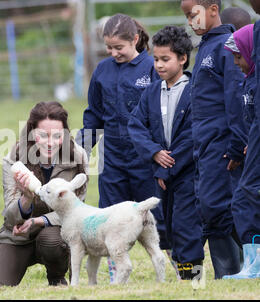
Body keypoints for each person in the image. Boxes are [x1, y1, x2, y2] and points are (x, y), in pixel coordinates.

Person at [75, 13, 168, 283]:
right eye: (109, 47)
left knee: (153, 215)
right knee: (110, 216)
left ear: (136, 40)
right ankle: (116, 272)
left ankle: (173, 265)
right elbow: (94, 114)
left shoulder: (152, 67)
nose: (113, 52)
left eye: (119, 47)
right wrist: (84, 147)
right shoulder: (102, 71)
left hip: (146, 157)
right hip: (113, 157)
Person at [0, 101, 89, 287]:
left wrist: (38, 221)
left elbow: (74, 212)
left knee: (52, 241)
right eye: (43, 135)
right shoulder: (15, 156)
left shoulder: (78, 156)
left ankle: (56, 278)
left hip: (54, 233)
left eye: (57, 136)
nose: (50, 142)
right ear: (32, 132)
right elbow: (11, 216)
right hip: (19, 233)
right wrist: (26, 197)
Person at [128, 26, 204, 280]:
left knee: (186, 226)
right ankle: (183, 274)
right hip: (161, 175)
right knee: (169, 227)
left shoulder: (196, 91)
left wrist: (165, 167)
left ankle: (193, 277)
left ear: (182, 58)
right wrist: (153, 152)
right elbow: (136, 126)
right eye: (156, 59)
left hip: (186, 172)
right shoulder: (150, 92)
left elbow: (192, 134)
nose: (159, 65)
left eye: (165, 59)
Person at [181, 0, 248, 279]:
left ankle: (233, 270)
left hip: (223, 146)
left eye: (193, 14)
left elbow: (235, 99)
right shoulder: (204, 47)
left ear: (212, 9)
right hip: (204, 145)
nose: (190, 21)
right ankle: (234, 270)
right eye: (185, 16)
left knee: (217, 206)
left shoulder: (226, 45)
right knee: (209, 206)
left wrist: (236, 144)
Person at [222, 0, 260, 279]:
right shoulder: (249, 78)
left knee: (247, 196)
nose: (236, 63)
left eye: (239, 57)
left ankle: (255, 266)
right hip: (252, 145)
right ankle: (252, 263)